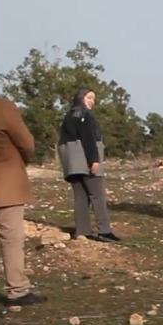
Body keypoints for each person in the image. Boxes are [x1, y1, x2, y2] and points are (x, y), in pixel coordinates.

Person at [0, 74, 45, 305]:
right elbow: (27, 143)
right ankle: (18, 289)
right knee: (11, 238)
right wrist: (22, 160)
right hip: (6, 181)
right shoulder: (2, 108)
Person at [58, 88, 120, 243]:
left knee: (80, 197)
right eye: (89, 97)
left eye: (93, 98)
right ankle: (104, 231)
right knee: (97, 195)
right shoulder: (84, 115)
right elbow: (88, 139)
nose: (93, 101)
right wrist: (94, 160)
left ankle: (82, 231)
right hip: (84, 161)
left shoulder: (69, 115)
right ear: (81, 98)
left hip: (72, 164)